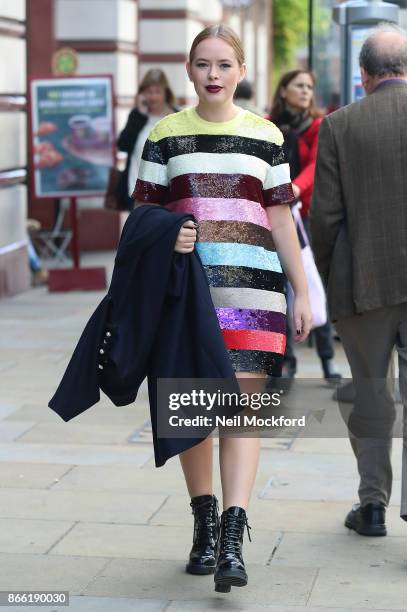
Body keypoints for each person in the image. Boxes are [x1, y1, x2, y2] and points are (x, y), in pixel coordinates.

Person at [132, 24, 312, 592]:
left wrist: (301, 291)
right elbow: (140, 220)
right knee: (194, 412)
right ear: (189, 70)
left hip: (253, 298)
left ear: (239, 72)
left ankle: (233, 536)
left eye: (224, 65)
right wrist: (171, 237)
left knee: (241, 414)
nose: (213, 74)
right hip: (187, 297)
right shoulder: (165, 134)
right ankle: (203, 522)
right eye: (203, 64)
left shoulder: (266, 136)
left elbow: (281, 219)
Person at [310, 23, 407, 538]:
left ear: (364, 75)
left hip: (362, 284)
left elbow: (324, 217)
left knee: (371, 394)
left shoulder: (339, 125)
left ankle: (372, 505)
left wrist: (328, 278)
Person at [269, 70, 342, 382]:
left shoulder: (317, 125)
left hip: (304, 215)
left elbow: (315, 167)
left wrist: (293, 189)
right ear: (283, 90)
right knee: (276, 288)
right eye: (299, 86)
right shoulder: (268, 125)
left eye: (310, 87)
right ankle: (284, 360)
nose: (305, 92)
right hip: (273, 213)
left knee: (310, 285)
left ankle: (327, 361)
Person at [116, 69, 177, 210]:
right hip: (136, 190)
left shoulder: (176, 116)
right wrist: (140, 115)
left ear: (165, 93)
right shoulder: (137, 116)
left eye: (157, 92)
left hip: (168, 191)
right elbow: (123, 145)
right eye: (149, 92)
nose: (153, 97)